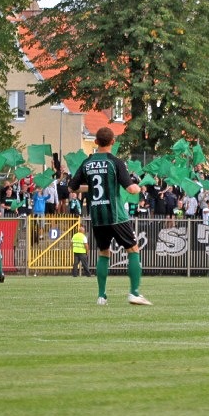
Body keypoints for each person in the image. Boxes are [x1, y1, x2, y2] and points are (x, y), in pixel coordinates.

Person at [69, 127, 152, 306]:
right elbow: (130, 189)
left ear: (96, 142)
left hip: (97, 216)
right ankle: (134, 293)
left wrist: (89, 187)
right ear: (112, 142)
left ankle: (101, 296)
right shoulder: (115, 162)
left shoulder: (87, 163)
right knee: (133, 249)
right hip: (115, 214)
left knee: (103, 253)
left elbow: (72, 187)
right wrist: (138, 188)